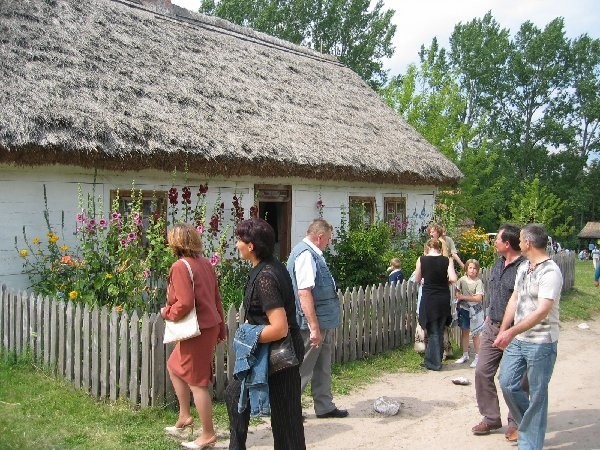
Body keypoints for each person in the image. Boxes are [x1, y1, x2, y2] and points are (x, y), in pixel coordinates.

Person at [225, 218, 306, 450]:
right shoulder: (271, 266)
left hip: (280, 353)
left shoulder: (266, 278)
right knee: (235, 396)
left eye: (240, 239)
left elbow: (279, 327)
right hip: (276, 350)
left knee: (286, 420)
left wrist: (247, 334)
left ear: (251, 246)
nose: (237, 243)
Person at [495, 224, 563, 450]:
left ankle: (530, 444)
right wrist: (504, 329)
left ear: (529, 243)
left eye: (522, 239)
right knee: (507, 382)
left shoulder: (551, 272)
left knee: (537, 394)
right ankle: (530, 425)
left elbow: (543, 310)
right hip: (519, 340)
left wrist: (512, 331)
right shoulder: (524, 267)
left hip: (541, 342)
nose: (519, 242)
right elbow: (515, 298)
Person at [161, 223, 227, 450]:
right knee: (174, 365)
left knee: (197, 382)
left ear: (176, 242)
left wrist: (167, 313)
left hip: (196, 330)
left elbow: (185, 302)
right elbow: (216, 299)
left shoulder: (180, 266)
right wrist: (222, 327)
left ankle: (207, 434)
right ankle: (184, 416)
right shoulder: (206, 264)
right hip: (208, 326)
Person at [287, 218, 348, 419]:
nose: (329, 242)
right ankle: (289, 409)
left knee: (323, 364)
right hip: (313, 323)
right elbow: (304, 293)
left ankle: (324, 405)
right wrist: (313, 327)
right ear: (320, 237)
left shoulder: (312, 254)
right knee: (304, 366)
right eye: (328, 239)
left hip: (323, 321)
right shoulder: (305, 255)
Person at [471, 224, 525, 441]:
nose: (494, 242)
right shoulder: (497, 264)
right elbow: (495, 292)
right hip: (492, 326)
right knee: (482, 371)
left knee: (515, 379)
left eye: (497, 239)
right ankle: (491, 417)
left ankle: (516, 423)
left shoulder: (524, 267)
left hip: (515, 330)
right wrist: (488, 315)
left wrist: (511, 329)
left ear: (507, 244)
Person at [414, 238, 457, 371]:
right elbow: (453, 278)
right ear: (440, 247)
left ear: (428, 247)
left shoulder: (422, 259)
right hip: (443, 297)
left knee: (432, 330)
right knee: (439, 328)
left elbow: (417, 278)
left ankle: (434, 362)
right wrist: (445, 282)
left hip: (429, 297)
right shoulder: (447, 260)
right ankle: (435, 359)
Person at [454, 259, 484, 368]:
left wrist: (464, 297)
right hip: (464, 309)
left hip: (475, 311)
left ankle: (478, 356)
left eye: (474, 268)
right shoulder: (461, 280)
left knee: (475, 334)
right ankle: (465, 354)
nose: (472, 270)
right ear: (466, 269)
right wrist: (458, 295)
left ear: (477, 270)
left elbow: (479, 298)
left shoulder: (478, 282)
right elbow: (457, 291)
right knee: (464, 331)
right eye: (470, 268)